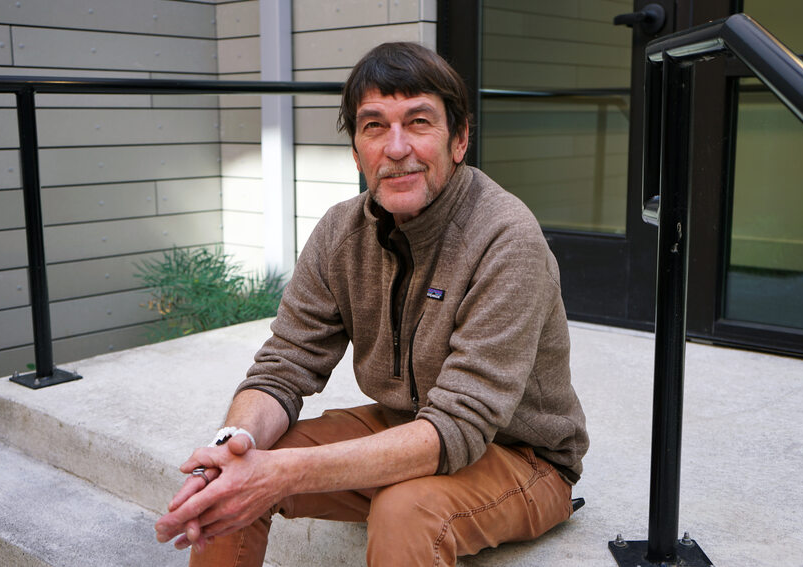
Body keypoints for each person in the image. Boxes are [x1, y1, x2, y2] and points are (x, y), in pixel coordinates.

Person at [155, 41, 589, 566]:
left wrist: (280, 475)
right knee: (231, 478)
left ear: (459, 140)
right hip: (405, 424)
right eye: (375, 126)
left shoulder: (505, 238)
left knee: (405, 508)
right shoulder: (341, 231)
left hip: (520, 456)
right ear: (356, 151)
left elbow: (459, 426)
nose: (397, 147)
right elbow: (282, 369)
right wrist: (235, 443)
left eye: (419, 122)